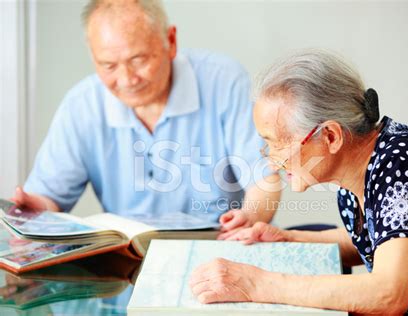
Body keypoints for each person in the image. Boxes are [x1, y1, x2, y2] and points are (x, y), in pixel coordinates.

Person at [189, 50, 408, 315]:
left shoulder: (399, 168)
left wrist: (255, 284)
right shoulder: (364, 163)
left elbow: (389, 294)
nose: (271, 161)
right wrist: (288, 238)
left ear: (331, 137)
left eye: (276, 145)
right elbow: (380, 241)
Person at [11, 0, 281, 234]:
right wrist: (37, 209)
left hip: (216, 249)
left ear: (171, 42)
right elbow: (49, 198)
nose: (127, 80)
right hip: (124, 266)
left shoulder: (224, 81)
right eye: (109, 66)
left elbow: (263, 180)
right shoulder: (81, 105)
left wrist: (250, 217)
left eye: (138, 60)